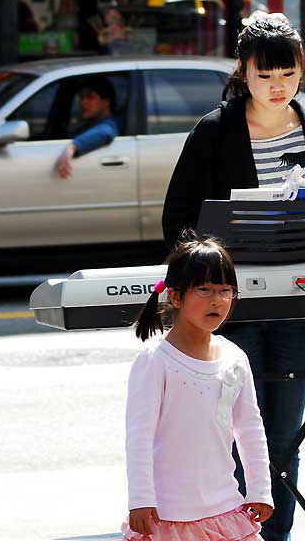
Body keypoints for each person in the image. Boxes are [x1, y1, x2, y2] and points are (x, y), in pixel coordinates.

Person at [162, 11, 305, 541]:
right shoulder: (216, 131)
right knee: (233, 435)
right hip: (230, 306)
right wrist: (210, 270)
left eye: (287, 74)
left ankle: (275, 537)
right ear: (243, 72)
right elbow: (178, 218)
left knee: (283, 438)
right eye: (265, 76)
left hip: (294, 305)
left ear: (301, 72)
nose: (277, 85)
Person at [122, 232, 273, 541]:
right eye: (204, 289)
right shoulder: (155, 360)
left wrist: (260, 489)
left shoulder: (235, 357)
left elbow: (250, 430)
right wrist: (140, 499)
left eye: (225, 290)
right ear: (175, 297)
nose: (217, 300)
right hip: (168, 515)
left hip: (226, 508)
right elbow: (138, 437)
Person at [55, 75, 119, 178]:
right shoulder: (88, 125)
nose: (83, 102)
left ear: (106, 102)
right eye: (82, 97)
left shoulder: (109, 125)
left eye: (90, 97)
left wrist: (72, 147)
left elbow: (105, 132)